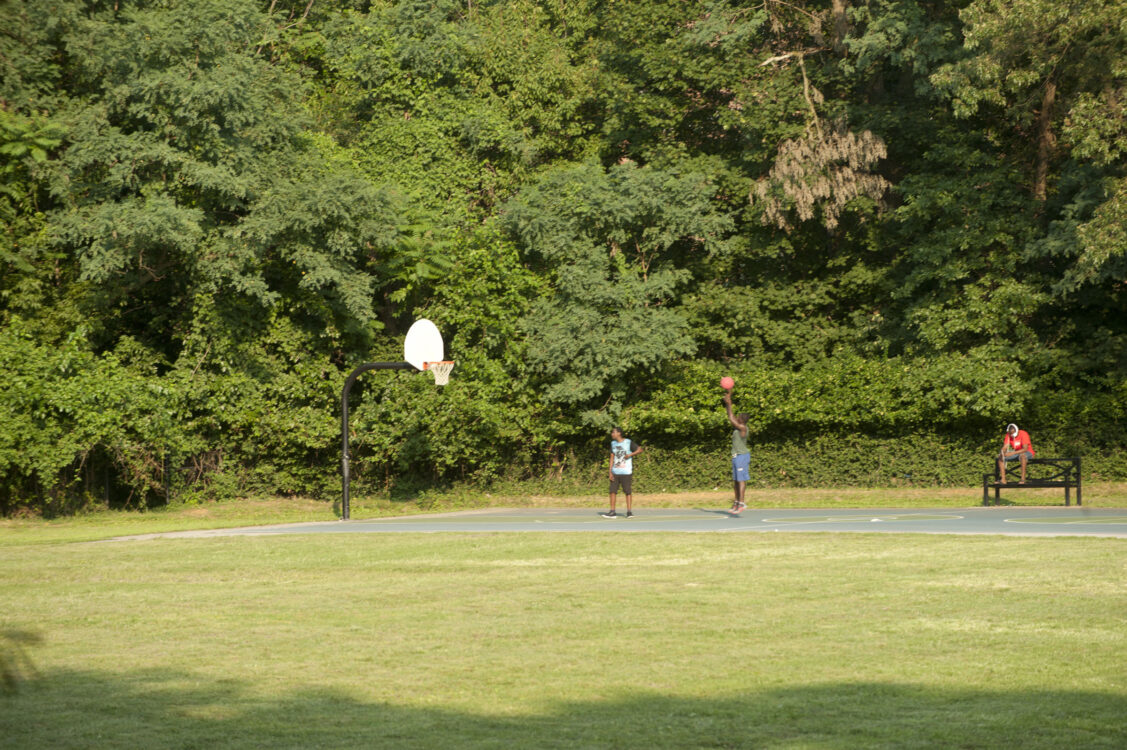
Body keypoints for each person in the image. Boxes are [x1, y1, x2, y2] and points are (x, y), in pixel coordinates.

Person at [602, 427, 643, 518]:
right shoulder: (613, 443)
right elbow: (612, 457)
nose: (612, 434)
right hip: (615, 471)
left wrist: (630, 455)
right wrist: (610, 471)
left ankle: (629, 512)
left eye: (613, 432)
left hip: (626, 471)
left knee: (627, 491)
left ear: (619, 433)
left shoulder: (628, 442)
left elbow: (640, 449)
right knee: (612, 491)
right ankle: (612, 512)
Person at [722, 391, 751, 514]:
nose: (737, 418)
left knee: (741, 480)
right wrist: (729, 400)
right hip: (735, 456)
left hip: (742, 456)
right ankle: (736, 502)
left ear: (742, 420)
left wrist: (729, 404)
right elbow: (731, 417)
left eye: (739, 417)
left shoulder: (743, 428)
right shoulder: (738, 427)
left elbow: (731, 418)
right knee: (735, 480)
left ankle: (742, 503)